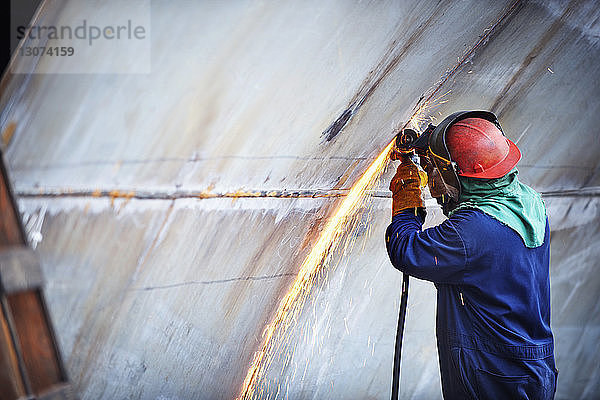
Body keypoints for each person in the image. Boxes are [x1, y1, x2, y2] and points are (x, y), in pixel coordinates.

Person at [385, 111, 558, 399]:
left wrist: (408, 196)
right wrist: (434, 147)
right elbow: (470, 204)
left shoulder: (472, 233)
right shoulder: (528, 201)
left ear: (456, 174)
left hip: (494, 375)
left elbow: (405, 250)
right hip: (532, 367)